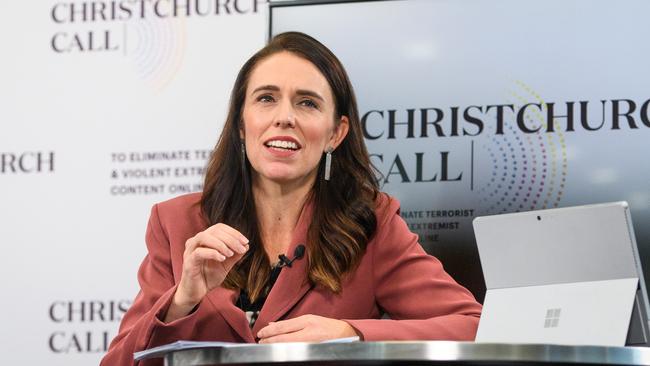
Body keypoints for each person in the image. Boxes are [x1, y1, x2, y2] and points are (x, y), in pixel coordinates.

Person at [101, 32, 482, 365]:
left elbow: (474, 326)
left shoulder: (371, 225)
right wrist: (180, 301)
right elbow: (119, 363)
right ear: (240, 123)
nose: (284, 117)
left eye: (307, 103)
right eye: (266, 98)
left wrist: (351, 335)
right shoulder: (177, 223)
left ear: (336, 133)